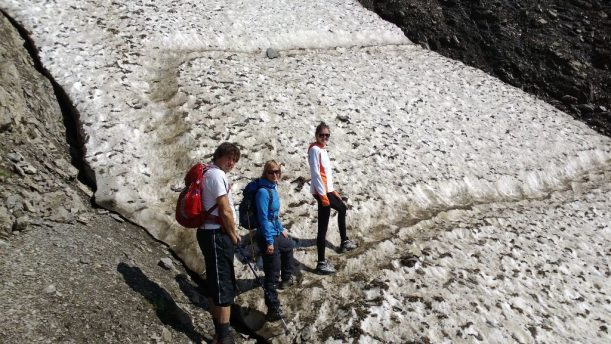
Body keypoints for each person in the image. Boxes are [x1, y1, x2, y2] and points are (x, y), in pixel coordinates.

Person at [196, 142, 241, 344]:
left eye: (234, 160)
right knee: (223, 285)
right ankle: (224, 338)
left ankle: (218, 335)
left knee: (215, 283)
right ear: (219, 156)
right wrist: (233, 234)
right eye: (228, 158)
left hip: (209, 234)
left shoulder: (209, 173)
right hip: (217, 236)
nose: (231, 163)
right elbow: (224, 209)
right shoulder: (216, 175)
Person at [307, 122, 357, 275]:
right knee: (323, 227)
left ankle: (344, 242)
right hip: (321, 192)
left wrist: (333, 191)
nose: (324, 137)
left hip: (327, 191)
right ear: (316, 135)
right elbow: (316, 174)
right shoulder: (315, 150)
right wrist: (323, 196)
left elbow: (326, 174)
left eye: (327, 135)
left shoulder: (322, 149)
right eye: (321, 135)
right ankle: (321, 263)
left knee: (342, 208)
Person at [254, 160, 295, 321]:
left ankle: (286, 279)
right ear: (265, 173)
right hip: (266, 237)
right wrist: (270, 241)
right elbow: (263, 218)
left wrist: (281, 228)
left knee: (289, 246)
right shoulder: (263, 192)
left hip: (274, 232)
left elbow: (273, 215)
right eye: (271, 172)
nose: (275, 174)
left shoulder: (273, 188)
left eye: (277, 171)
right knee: (271, 274)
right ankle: (273, 309)